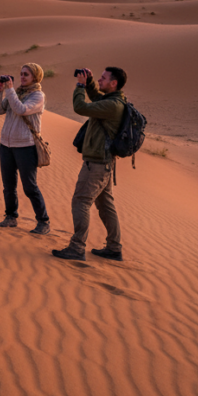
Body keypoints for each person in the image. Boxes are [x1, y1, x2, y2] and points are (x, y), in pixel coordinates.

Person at [52, 66, 128, 262]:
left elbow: (81, 107)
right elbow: (96, 98)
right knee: (105, 205)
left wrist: (80, 85)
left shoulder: (112, 105)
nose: (101, 80)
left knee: (81, 201)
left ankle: (77, 247)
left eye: (104, 78)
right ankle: (114, 247)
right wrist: (91, 82)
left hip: (96, 164)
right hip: (103, 163)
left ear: (114, 83)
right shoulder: (112, 101)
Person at [0, 63, 50, 234]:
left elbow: (21, 109)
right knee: (8, 185)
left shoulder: (38, 96)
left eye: (26, 74)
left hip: (26, 146)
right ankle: (11, 217)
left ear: (35, 77)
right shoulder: (16, 93)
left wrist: (10, 91)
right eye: (21, 74)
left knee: (29, 186)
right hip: (6, 145)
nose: (22, 77)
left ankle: (43, 221)